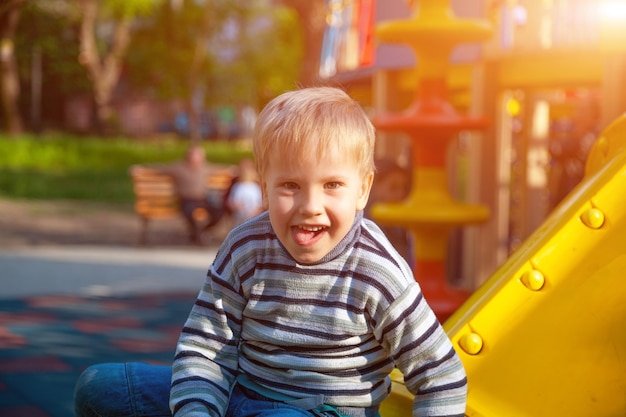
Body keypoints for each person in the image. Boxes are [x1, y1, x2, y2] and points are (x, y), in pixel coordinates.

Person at [75, 87, 467, 417]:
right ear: (264, 187)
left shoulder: (377, 269)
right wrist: (196, 410)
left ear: (362, 189)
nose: (310, 205)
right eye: (290, 185)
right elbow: (205, 347)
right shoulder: (246, 246)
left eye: (332, 185)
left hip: (320, 411)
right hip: (239, 393)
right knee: (98, 386)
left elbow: (442, 376)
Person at [130, 145, 228, 244]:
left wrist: (235, 170)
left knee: (218, 211)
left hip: (203, 199)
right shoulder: (179, 168)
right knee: (190, 212)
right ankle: (197, 237)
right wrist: (141, 169)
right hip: (187, 200)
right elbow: (161, 168)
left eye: (199, 156)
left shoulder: (205, 167)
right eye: (194, 155)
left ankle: (203, 232)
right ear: (188, 156)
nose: (196, 158)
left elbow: (219, 168)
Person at [227, 158, 263, 226]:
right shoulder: (236, 186)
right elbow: (230, 202)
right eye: (243, 170)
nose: (246, 173)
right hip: (239, 217)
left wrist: (255, 213)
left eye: (248, 170)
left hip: (253, 217)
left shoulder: (256, 187)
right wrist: (236, 206)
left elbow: (260, 205)